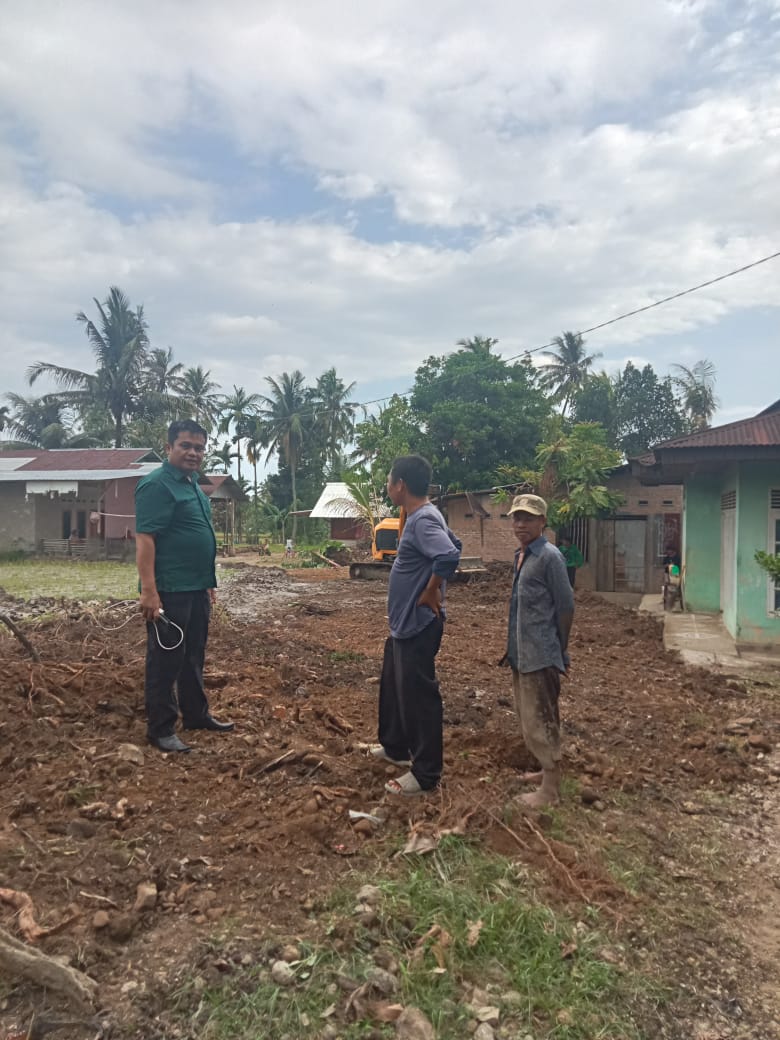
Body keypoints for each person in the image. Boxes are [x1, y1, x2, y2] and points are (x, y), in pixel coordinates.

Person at [135, 419, 234, 753]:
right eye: (186, 446)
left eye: (199, 448)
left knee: (193, 654)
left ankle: (196, 714)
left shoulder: (193, 485)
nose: (194, 453)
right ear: (169, 448)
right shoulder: (157, 485)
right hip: (170, 589)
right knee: (165, 659)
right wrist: (149, 590)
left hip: (196, 587)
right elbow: (146, 538)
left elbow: (198, 538)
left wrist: (208, 584)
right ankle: (161, 728)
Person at [375, 455, 462, 796]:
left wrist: (430, 593)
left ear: (400, 485)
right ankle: (395, 748)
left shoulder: (423, 519)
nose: (387, 486)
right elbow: (455, 544)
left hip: (418, 623)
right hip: (403, 625)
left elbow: (449, 556)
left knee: (418, 698)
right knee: (394, 687)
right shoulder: (421, 515)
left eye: (388, 481)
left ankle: (426, 774)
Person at [504, 494, 574, 807]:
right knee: (528, 716)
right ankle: (545, 772)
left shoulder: (550, 557)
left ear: (543, 521)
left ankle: (550, 789)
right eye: (517, 518)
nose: (521, 524)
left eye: (528, 518)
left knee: (542, 717)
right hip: (522, 651)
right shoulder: (521, 556)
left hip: (541, 653)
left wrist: (560, 648)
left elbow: (566, 606)